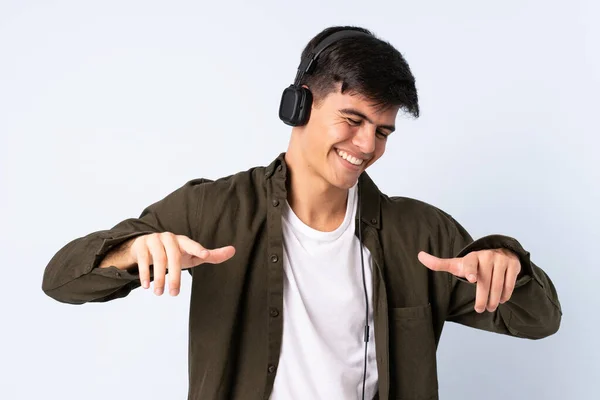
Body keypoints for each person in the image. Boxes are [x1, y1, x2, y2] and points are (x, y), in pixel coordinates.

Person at [41, 25, 562, 400]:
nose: (367, 145)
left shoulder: (421, 233)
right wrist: (129, 251)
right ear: (299, 105)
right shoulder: (213, 210)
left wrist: (511, 269)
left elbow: (539, 322)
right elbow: (61, 282)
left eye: (382, 131)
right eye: (352, 120)